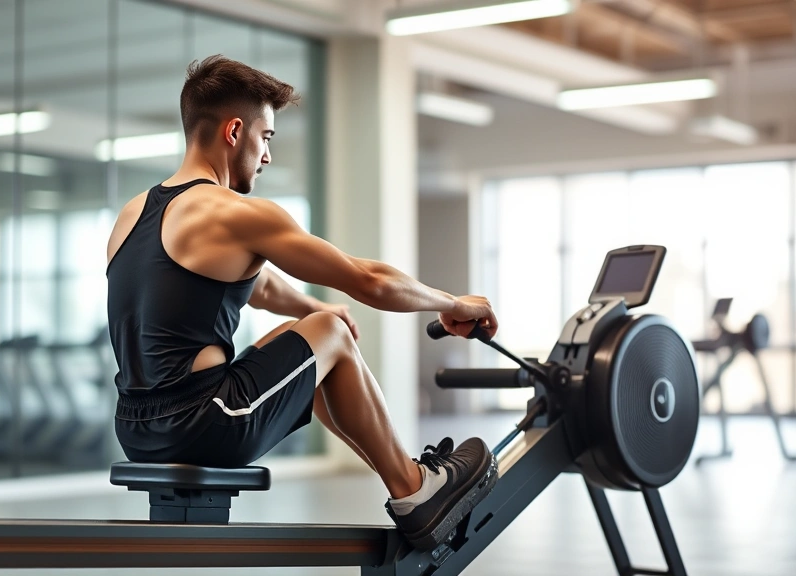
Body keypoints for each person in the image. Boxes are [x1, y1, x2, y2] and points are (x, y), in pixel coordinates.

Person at [105, 54, 500, 551]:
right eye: (265, 137)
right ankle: (416, 490)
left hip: (135, 428)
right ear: (234, 132)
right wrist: (454, 303)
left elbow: (262, 286)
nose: (267, 155)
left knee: (314, 333)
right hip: (203, 424)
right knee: (327, 335)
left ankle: (408, 478)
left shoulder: (133, 213)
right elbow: (369, 280)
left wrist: (314, 310)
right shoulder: (232, 213)